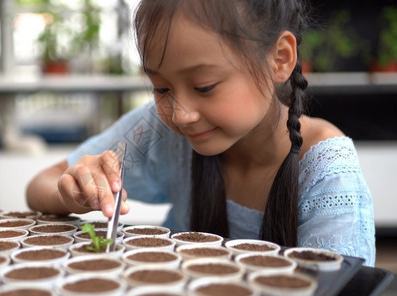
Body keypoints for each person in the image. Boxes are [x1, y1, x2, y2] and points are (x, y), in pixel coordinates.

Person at [26, 0, 375, 266]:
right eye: (161, 88)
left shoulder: (328, 176)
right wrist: (74, 191)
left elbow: (340, 285)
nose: (181, 114)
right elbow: (41, 184)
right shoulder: (162, 132)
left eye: (205, 86)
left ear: (280, 59)